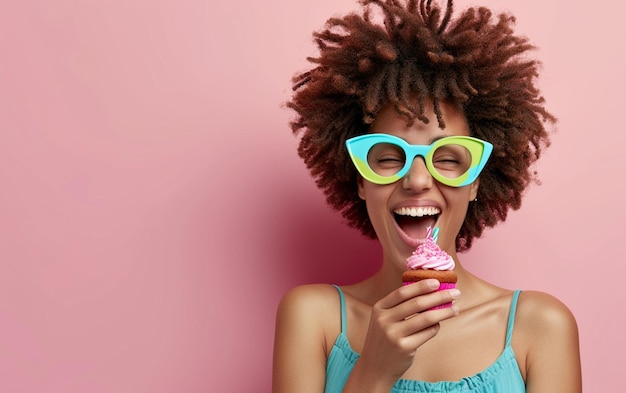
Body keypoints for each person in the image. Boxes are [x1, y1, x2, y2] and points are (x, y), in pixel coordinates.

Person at [272, 0, 582, 392]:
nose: (417, 179)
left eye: (448, 158)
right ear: (360, 181)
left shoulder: (539, 327)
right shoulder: (313, 318)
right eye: (388, 157)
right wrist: (374, 371)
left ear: (474, 183)